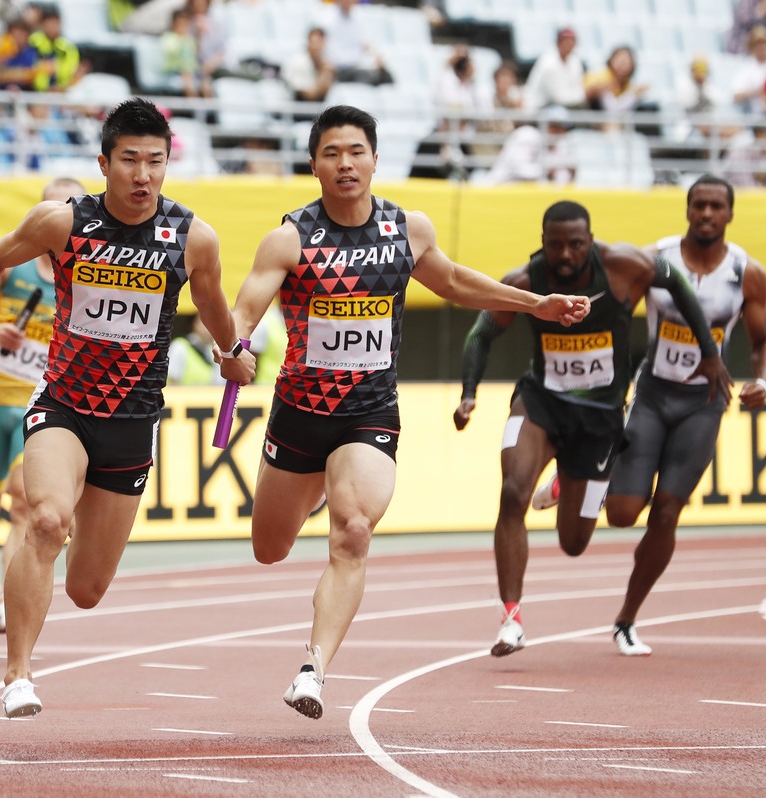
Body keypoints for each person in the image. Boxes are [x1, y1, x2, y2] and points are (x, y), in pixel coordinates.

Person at [228, 105, 591, 720]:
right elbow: (243, 313)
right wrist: (233, 348)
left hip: (369, 413)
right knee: (270, 547)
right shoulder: (290, 239)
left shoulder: (407, 229)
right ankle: (312, 489)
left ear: (374, 158)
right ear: (314, 164)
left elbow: (453, 282)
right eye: (332, 153)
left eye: (356, 152)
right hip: (299, 413)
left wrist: (537, 305)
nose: (346, 164)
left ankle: (313, 670)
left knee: (354, 532)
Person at [0, 99, 255, 718]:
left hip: (133, 422)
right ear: (103, 163)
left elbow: (213, 303)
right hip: (64, 405)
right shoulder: (64, 223)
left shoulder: (194, 237)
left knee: (86, 589)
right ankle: (18, 674)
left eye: (155, 162)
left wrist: (231, 349)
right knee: (45, 519)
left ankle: (68, 540)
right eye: (129, 160)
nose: (143, 175)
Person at [452, 200, 731, 659]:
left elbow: (678, 285)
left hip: (599, 416)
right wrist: (468, 392)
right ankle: (511, 619)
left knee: (574, 543)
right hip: (541, 401)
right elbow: (482, 331)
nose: (565, 255)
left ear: (591, 241)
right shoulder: (524, 281)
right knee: (512, 491)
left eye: (576, 244)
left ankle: (565, 481)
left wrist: (710, 351)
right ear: (542, 242)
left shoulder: (626, 265)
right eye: (555, 245)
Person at [598, 175, 766, 656]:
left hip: (704, 402)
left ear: (730, 214)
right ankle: (587, 477)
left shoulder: (747, 272)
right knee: (621, 514)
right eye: (699, 205)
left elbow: (763, 343)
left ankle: (627, 619)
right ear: (687, 210)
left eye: (716, 206)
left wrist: (762, 382)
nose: (706, 214)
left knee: (668, 512)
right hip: (654, 395)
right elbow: (617, 312)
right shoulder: (655, 258)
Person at [0, 176, 84, 634]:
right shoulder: (11, 269)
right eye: (48, 210)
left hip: (43, 408)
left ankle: (6, 602)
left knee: (23, 506)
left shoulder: (83, 276)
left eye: (66, 211)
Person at [522, 27, 585, 112]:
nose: (569, 45)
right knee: (559, 113)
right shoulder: (548, 63)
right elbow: (559, 98)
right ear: (558, 42)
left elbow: (578, 89)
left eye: (571, 42)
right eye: (566, 41)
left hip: (560, 107)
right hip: (537, 109)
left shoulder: (575, 61)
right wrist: (585, 95)